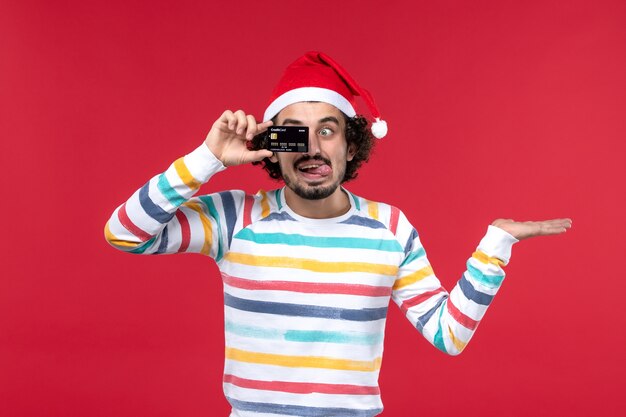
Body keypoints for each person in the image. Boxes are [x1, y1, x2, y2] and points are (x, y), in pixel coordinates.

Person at [105, 51, 571, 417]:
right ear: (273, 147)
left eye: (327, 131)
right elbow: (125, 233)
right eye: (294, 134)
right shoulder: (233, 219)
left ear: (350, 144)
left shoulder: (390, 229)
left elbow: (447, 335)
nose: (311, 147)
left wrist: (496, 245)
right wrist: (207, 158)